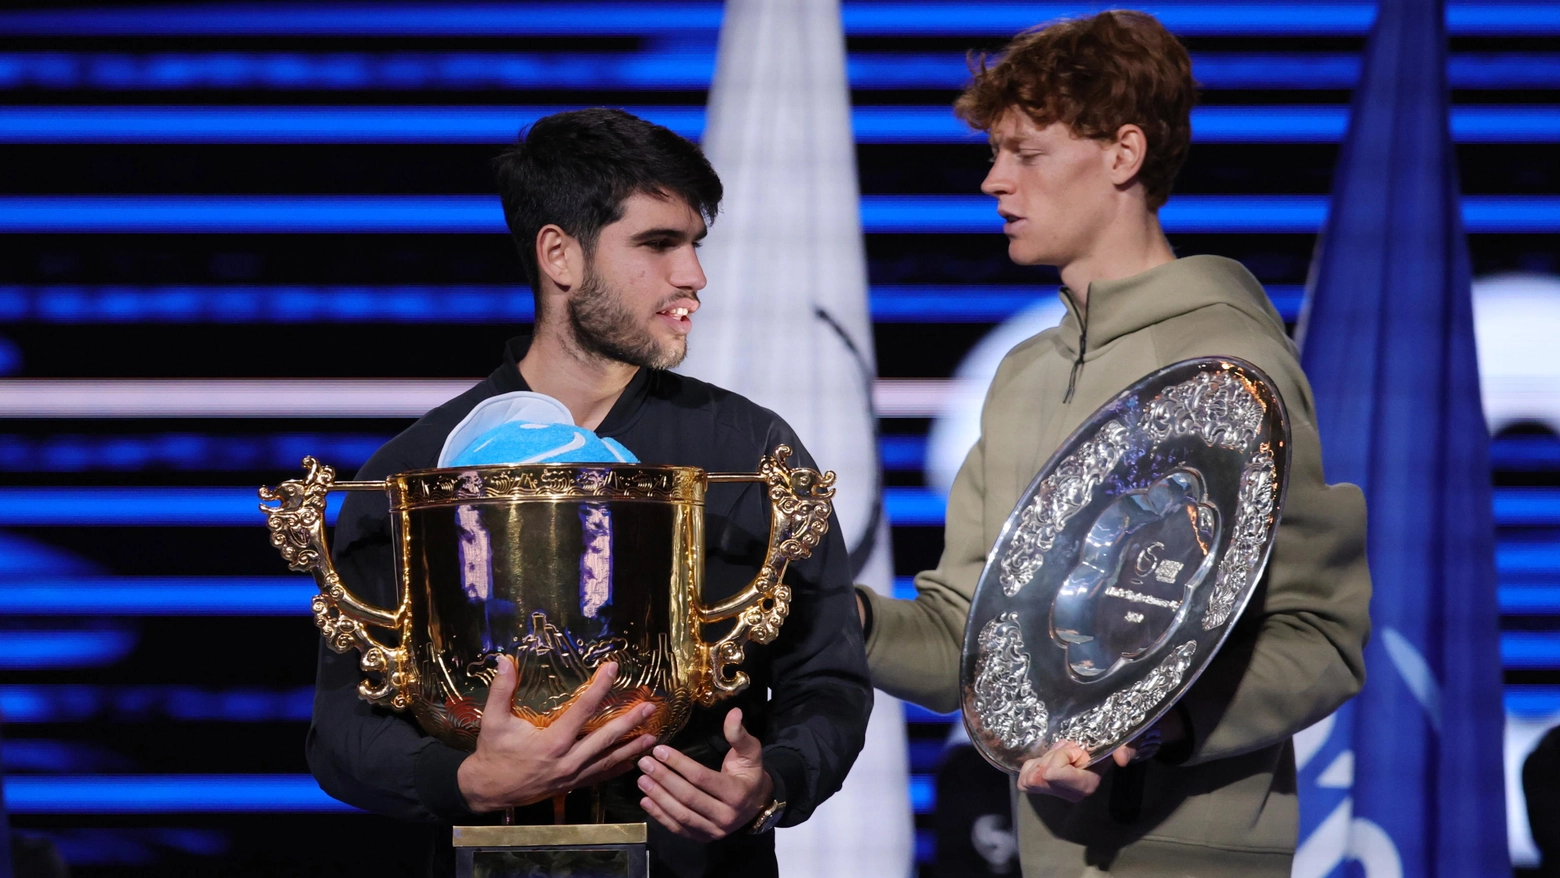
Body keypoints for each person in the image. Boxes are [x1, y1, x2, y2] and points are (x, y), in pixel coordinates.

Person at [856, 11, 1371, 875]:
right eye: (993, 154)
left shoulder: (1228, 364)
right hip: (1044, 851)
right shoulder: (1022, 373)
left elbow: (1321, 635)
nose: (993, 182)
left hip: (1193, 853)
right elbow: (969, 644)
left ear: (1123, 155)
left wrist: (1153, 726)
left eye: (1025, 154)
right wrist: (828, 617)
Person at [308, 107, 872, 877]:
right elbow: (343, 729)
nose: (693, 276)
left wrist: (770, 785)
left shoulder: (749, 450)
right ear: (559, 256)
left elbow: (827, 682)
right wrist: (466, 778)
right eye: (657, 244)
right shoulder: (419, 470)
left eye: (695, 245)